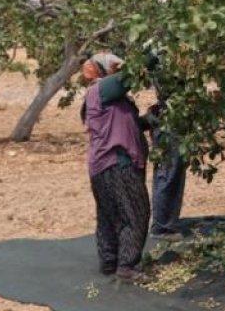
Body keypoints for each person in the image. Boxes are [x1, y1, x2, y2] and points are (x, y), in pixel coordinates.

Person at [81, 52, 154, 283]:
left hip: (102, 166)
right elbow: (131, 74)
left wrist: (148, 120)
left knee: (110, 216)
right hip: (117, 164)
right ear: (103, 69)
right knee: (135, 212)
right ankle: (127, 267)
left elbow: (125, 124)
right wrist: (153, 53)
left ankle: (110, 262)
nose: (118, 70)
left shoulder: (107, 95)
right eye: (114, 67)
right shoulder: (101, 89)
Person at [145, 53, 189, 240]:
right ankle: (162, 227)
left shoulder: (165, 59)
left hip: (170, 120)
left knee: (170, 173)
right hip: (169, 123)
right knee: (168, 174)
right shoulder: (163, 61)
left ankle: (165, 223)